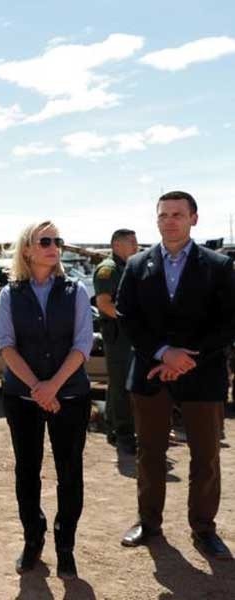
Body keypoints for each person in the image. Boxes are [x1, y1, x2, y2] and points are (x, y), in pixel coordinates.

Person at [117, 191, 235, 561]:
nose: (170, 220)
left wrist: (184, 358)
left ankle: (203, 529)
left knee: (205, 456)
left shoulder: (218, 266)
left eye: (178, 214)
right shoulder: (137, 265)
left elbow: (228, 321)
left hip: (203, 373)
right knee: (150, 453)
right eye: (164, 214)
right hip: (151, 372)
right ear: (157, 220)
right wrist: (163, 353)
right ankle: (148, 523)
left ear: (194, 219)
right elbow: (127, 316)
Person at [0, 221, 93, 580]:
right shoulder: (10, 293)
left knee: (70, 471)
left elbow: (82, 344)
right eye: (46, 241)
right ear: (27, 249)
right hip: (22, 397)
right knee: (27, 470)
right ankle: (32, 538)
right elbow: (5, 344)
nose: (55, 246)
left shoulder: (76, 290)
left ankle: (65, 545)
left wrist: (52, 388)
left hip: (70, 395)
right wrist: (38, 387)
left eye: (58, 241)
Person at [94, 228, 139, 455]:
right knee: (122, 385)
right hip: (118, 336)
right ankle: (124, 434)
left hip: (126, 335)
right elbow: (104, 303)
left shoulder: (125, 267)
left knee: (119, 384)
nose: (136, 245)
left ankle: (113, 427)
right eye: (131, 242)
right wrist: (129, 319)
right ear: (117, 245)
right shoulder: (108, 270)